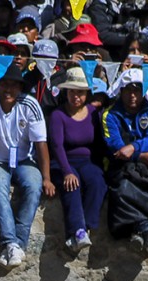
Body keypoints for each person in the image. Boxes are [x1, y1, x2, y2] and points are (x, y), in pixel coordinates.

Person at [0, 67, 54, 271]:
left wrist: (47, 178)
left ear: (20, 88)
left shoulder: (30, 104)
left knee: (34, 186)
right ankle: (9, 242)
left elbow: (41, 144)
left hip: (24, 158)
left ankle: (18, 244)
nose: (8, 89)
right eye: (4, 84)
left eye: (14, 85)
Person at [102, 67, 148, 253]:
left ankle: (144, 227)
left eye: (137, 90)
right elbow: (118, 149)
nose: (132, 95)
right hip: (123, 164)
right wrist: (139, 154)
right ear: (121, 91)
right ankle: (145, 227)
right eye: (128, 90)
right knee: (122, 188)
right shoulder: (109, 115)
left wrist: (134, 147)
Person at [48, 66, 107, 254]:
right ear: (66, 92)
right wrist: (66, 171)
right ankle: (76, 230)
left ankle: (86, 226)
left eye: (80, 93)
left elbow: (98, 143)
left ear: (86, 94)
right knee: (73, 184)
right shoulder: (58, 115)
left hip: (87, 161)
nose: (76, 97)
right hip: (62, 161)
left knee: (97, 180)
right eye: (72, 92)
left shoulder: (92, 113)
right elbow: (57, 146)